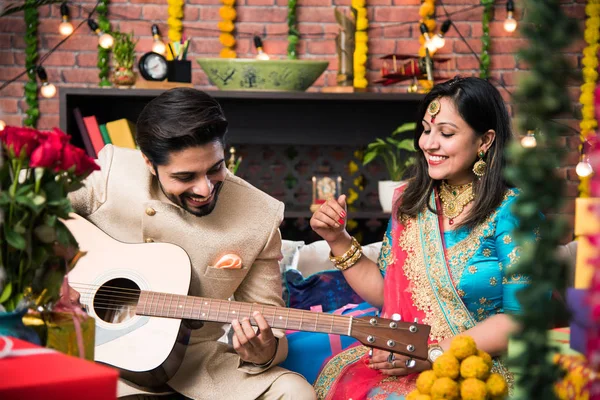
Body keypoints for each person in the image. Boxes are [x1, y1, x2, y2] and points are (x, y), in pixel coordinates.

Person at [68, 88, 316, 400]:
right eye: (186, 176)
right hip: (95, 354)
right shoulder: (112, 172)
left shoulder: (260, 215)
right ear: (148, 162)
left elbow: (269, 317)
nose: (205, 188)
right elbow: (25, 207)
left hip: (195, 367)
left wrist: (264, 349)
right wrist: (56, 276)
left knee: (295, 391)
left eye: (215, 168)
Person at [309, 77, 530, 399]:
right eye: (426, 130)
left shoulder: (514, 211)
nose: (428, 143)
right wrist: (337, 239)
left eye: (446, 133)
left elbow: (521, 319)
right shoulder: (410, 203)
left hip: (479, 366)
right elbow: (388, 294)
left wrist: (432, 354)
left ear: (485, 140)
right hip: (403, 359)